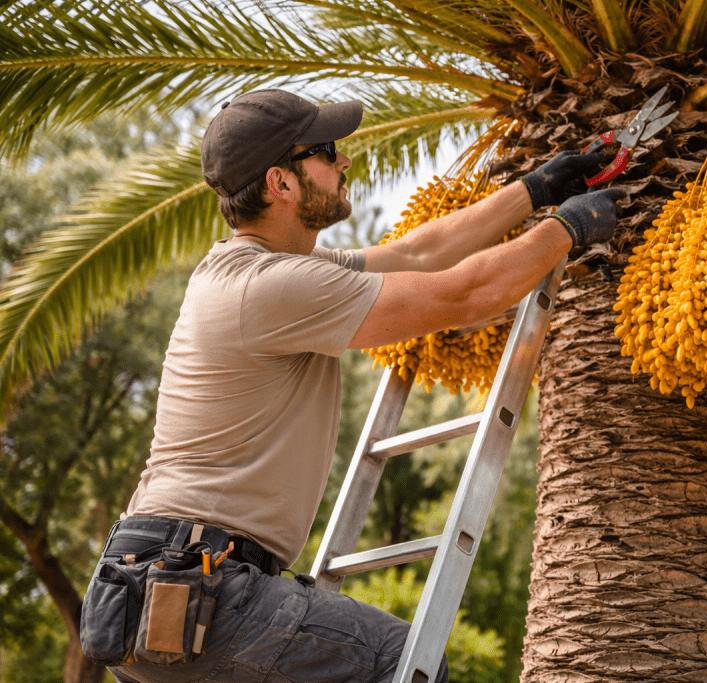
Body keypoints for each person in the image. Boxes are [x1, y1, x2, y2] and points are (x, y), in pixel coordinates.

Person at [81, 89, 626, 683]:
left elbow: (420, 252)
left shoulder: (255, 272)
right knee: (404, 664)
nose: (344, 163)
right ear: (280, 183)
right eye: (327, 151)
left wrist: (538, 188)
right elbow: (463, 296)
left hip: (155, 588)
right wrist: (568, 228)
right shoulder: (270, 287)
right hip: (202, 587)